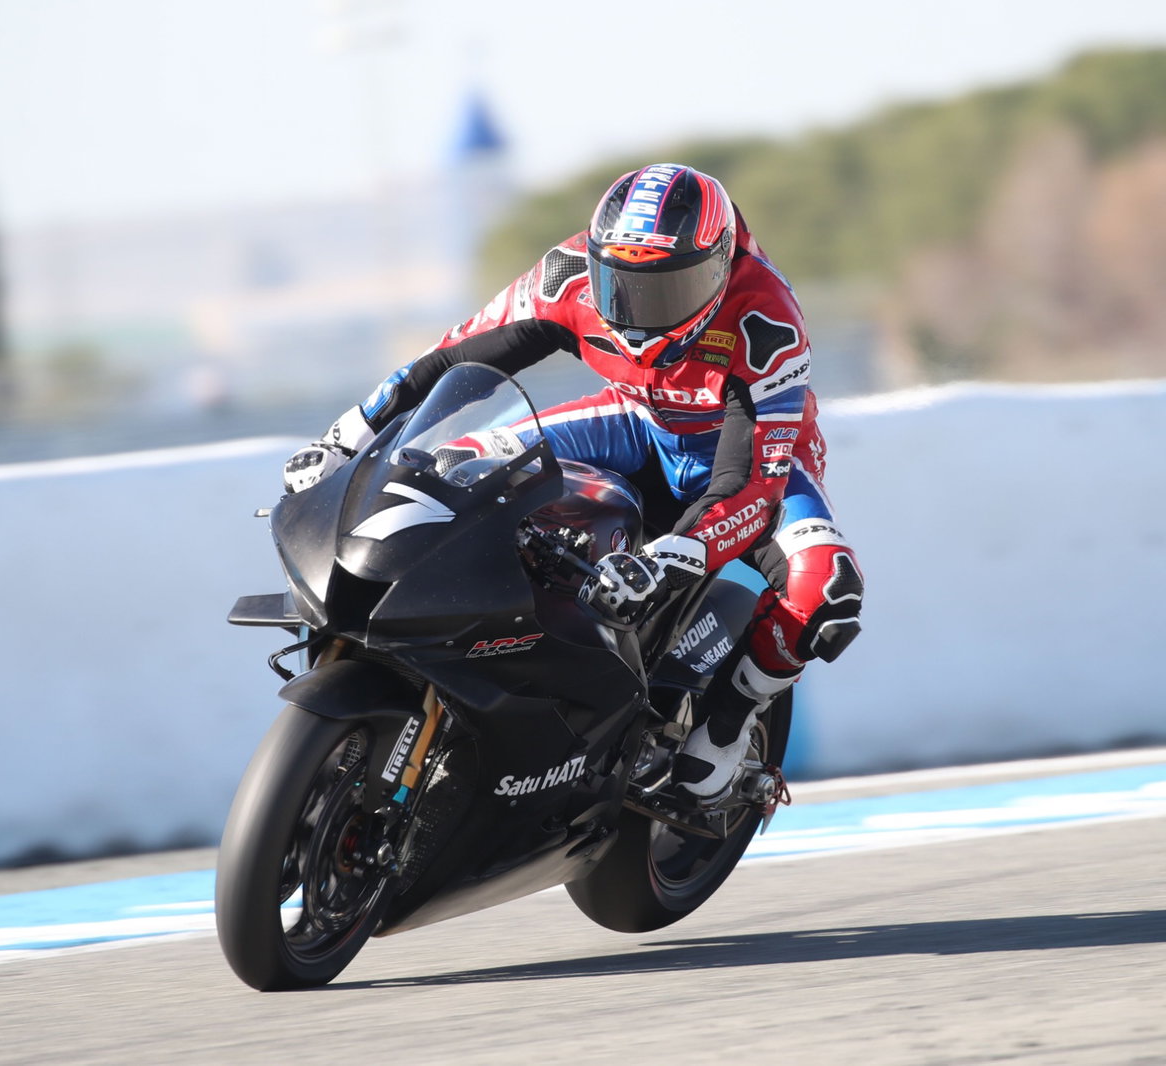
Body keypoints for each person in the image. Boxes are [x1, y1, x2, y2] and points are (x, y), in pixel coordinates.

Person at [282, 163, 864, 805]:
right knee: (448, 464)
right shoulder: (565, 275)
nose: (641, 312)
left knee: (827, 586)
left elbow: (750, 486)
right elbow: (452, 356)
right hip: (633, 420)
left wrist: (674, 556)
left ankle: (726, 730)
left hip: (748, 458)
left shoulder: (767, 319)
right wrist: (346, 436)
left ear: (721, 266)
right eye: (623, 286)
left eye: (670, 288)